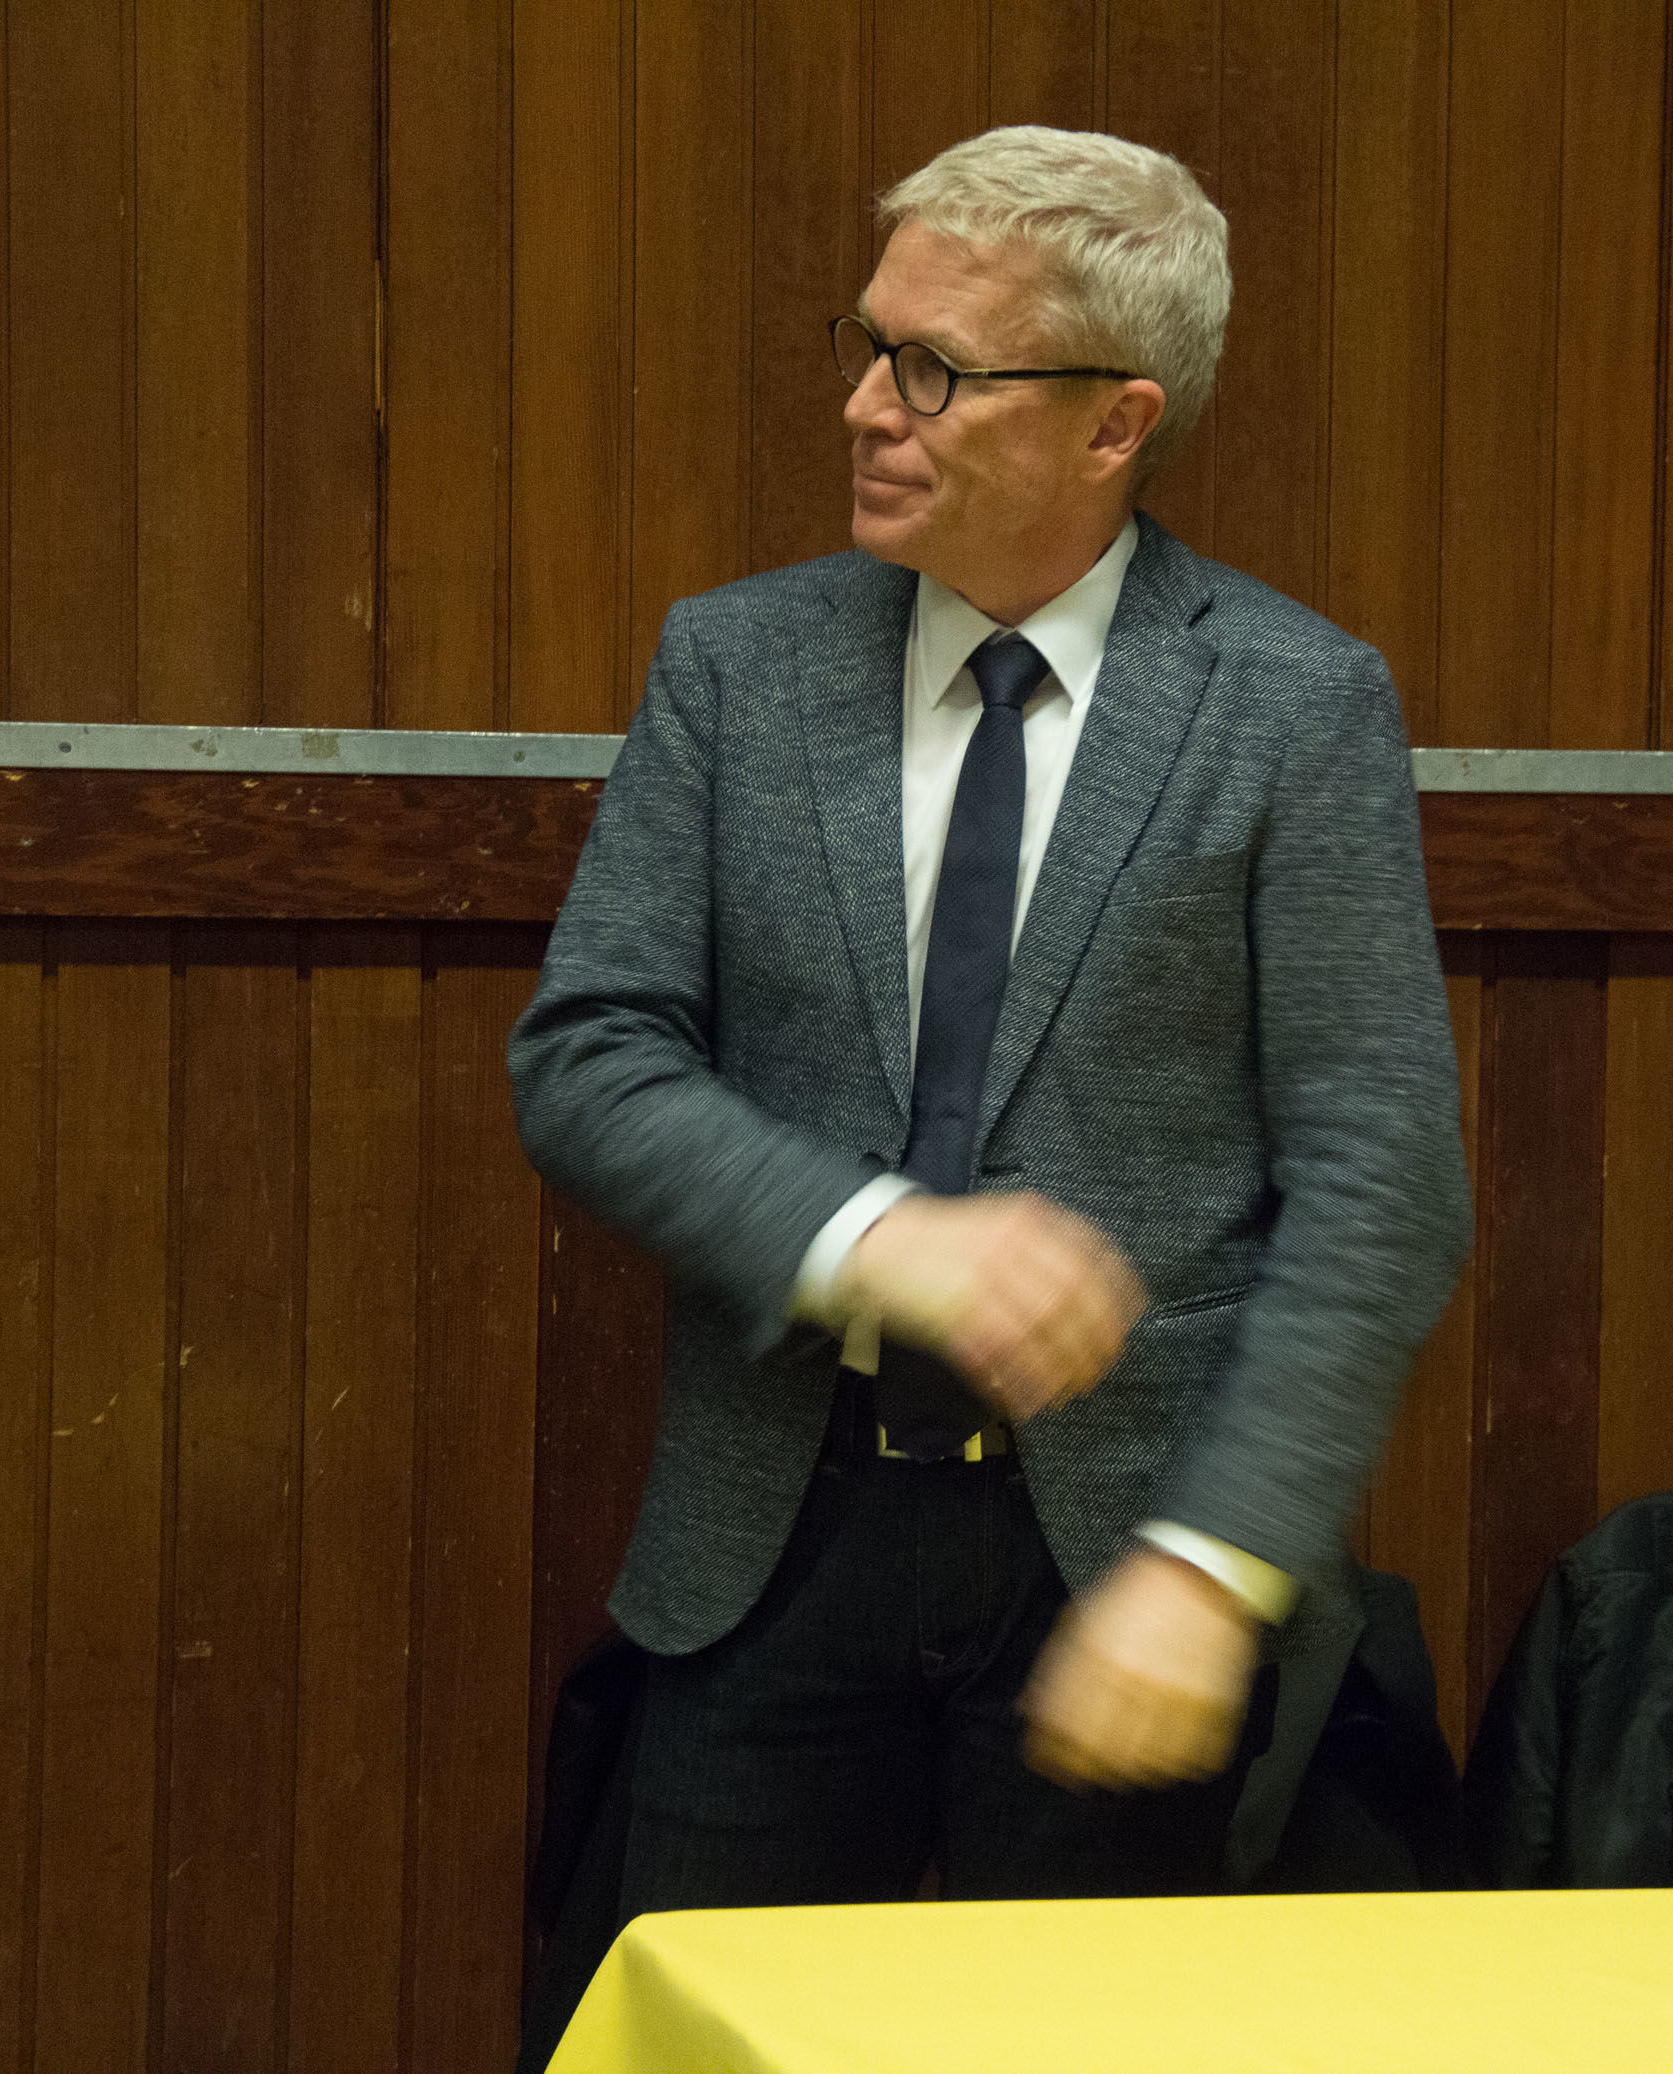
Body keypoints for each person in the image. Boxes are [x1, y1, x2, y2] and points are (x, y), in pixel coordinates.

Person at [506, 123, 1471, 1943]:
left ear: (1115, 423)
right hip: (772, 1543)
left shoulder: (1293, 704)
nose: (867, 405)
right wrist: (874, 1235)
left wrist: (1213, 1562)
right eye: (869, 344)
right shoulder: (737, 665)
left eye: (933, 368)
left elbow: (1382, 1184)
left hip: (1122, 1568)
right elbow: (589, 1051)